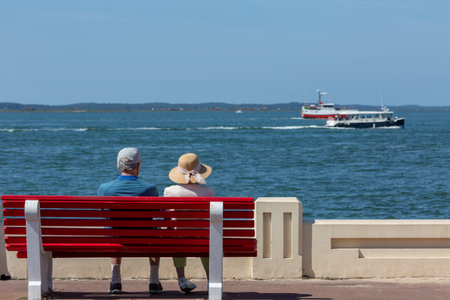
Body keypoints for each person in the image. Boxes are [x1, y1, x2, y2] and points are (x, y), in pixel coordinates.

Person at [97, 147, 162, 294]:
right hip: (145, 239)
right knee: (156, 231)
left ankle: (115, 281)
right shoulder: (150, 189)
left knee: (112, 230)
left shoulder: (105, 189)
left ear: (118, 165)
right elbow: (156, 213)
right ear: (139, 166)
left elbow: (102, 215)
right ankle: (154, 281)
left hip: (116, 239)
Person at [164, 153, 213, 291]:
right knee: (206, 238)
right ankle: (211, 281)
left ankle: (181, 279)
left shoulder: (169, 191)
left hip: (178, 239)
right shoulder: (208, 192)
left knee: (175, 235)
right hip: (202, 239)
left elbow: (166, 219)